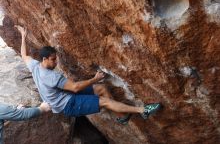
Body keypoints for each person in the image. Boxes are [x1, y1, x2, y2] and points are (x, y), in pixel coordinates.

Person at [15, 25, 161, 124]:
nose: (56, 62)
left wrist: (23, 35)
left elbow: (24, 55)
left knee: (101, 88)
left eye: (56, 59)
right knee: (103, 100)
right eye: (53, 60)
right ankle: (143, 110)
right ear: (45, 59)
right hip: (68, 104)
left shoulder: (35, 66)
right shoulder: (51, 76)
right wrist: (94, 78)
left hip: (64, 95)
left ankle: (122, 116)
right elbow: (76, 87)